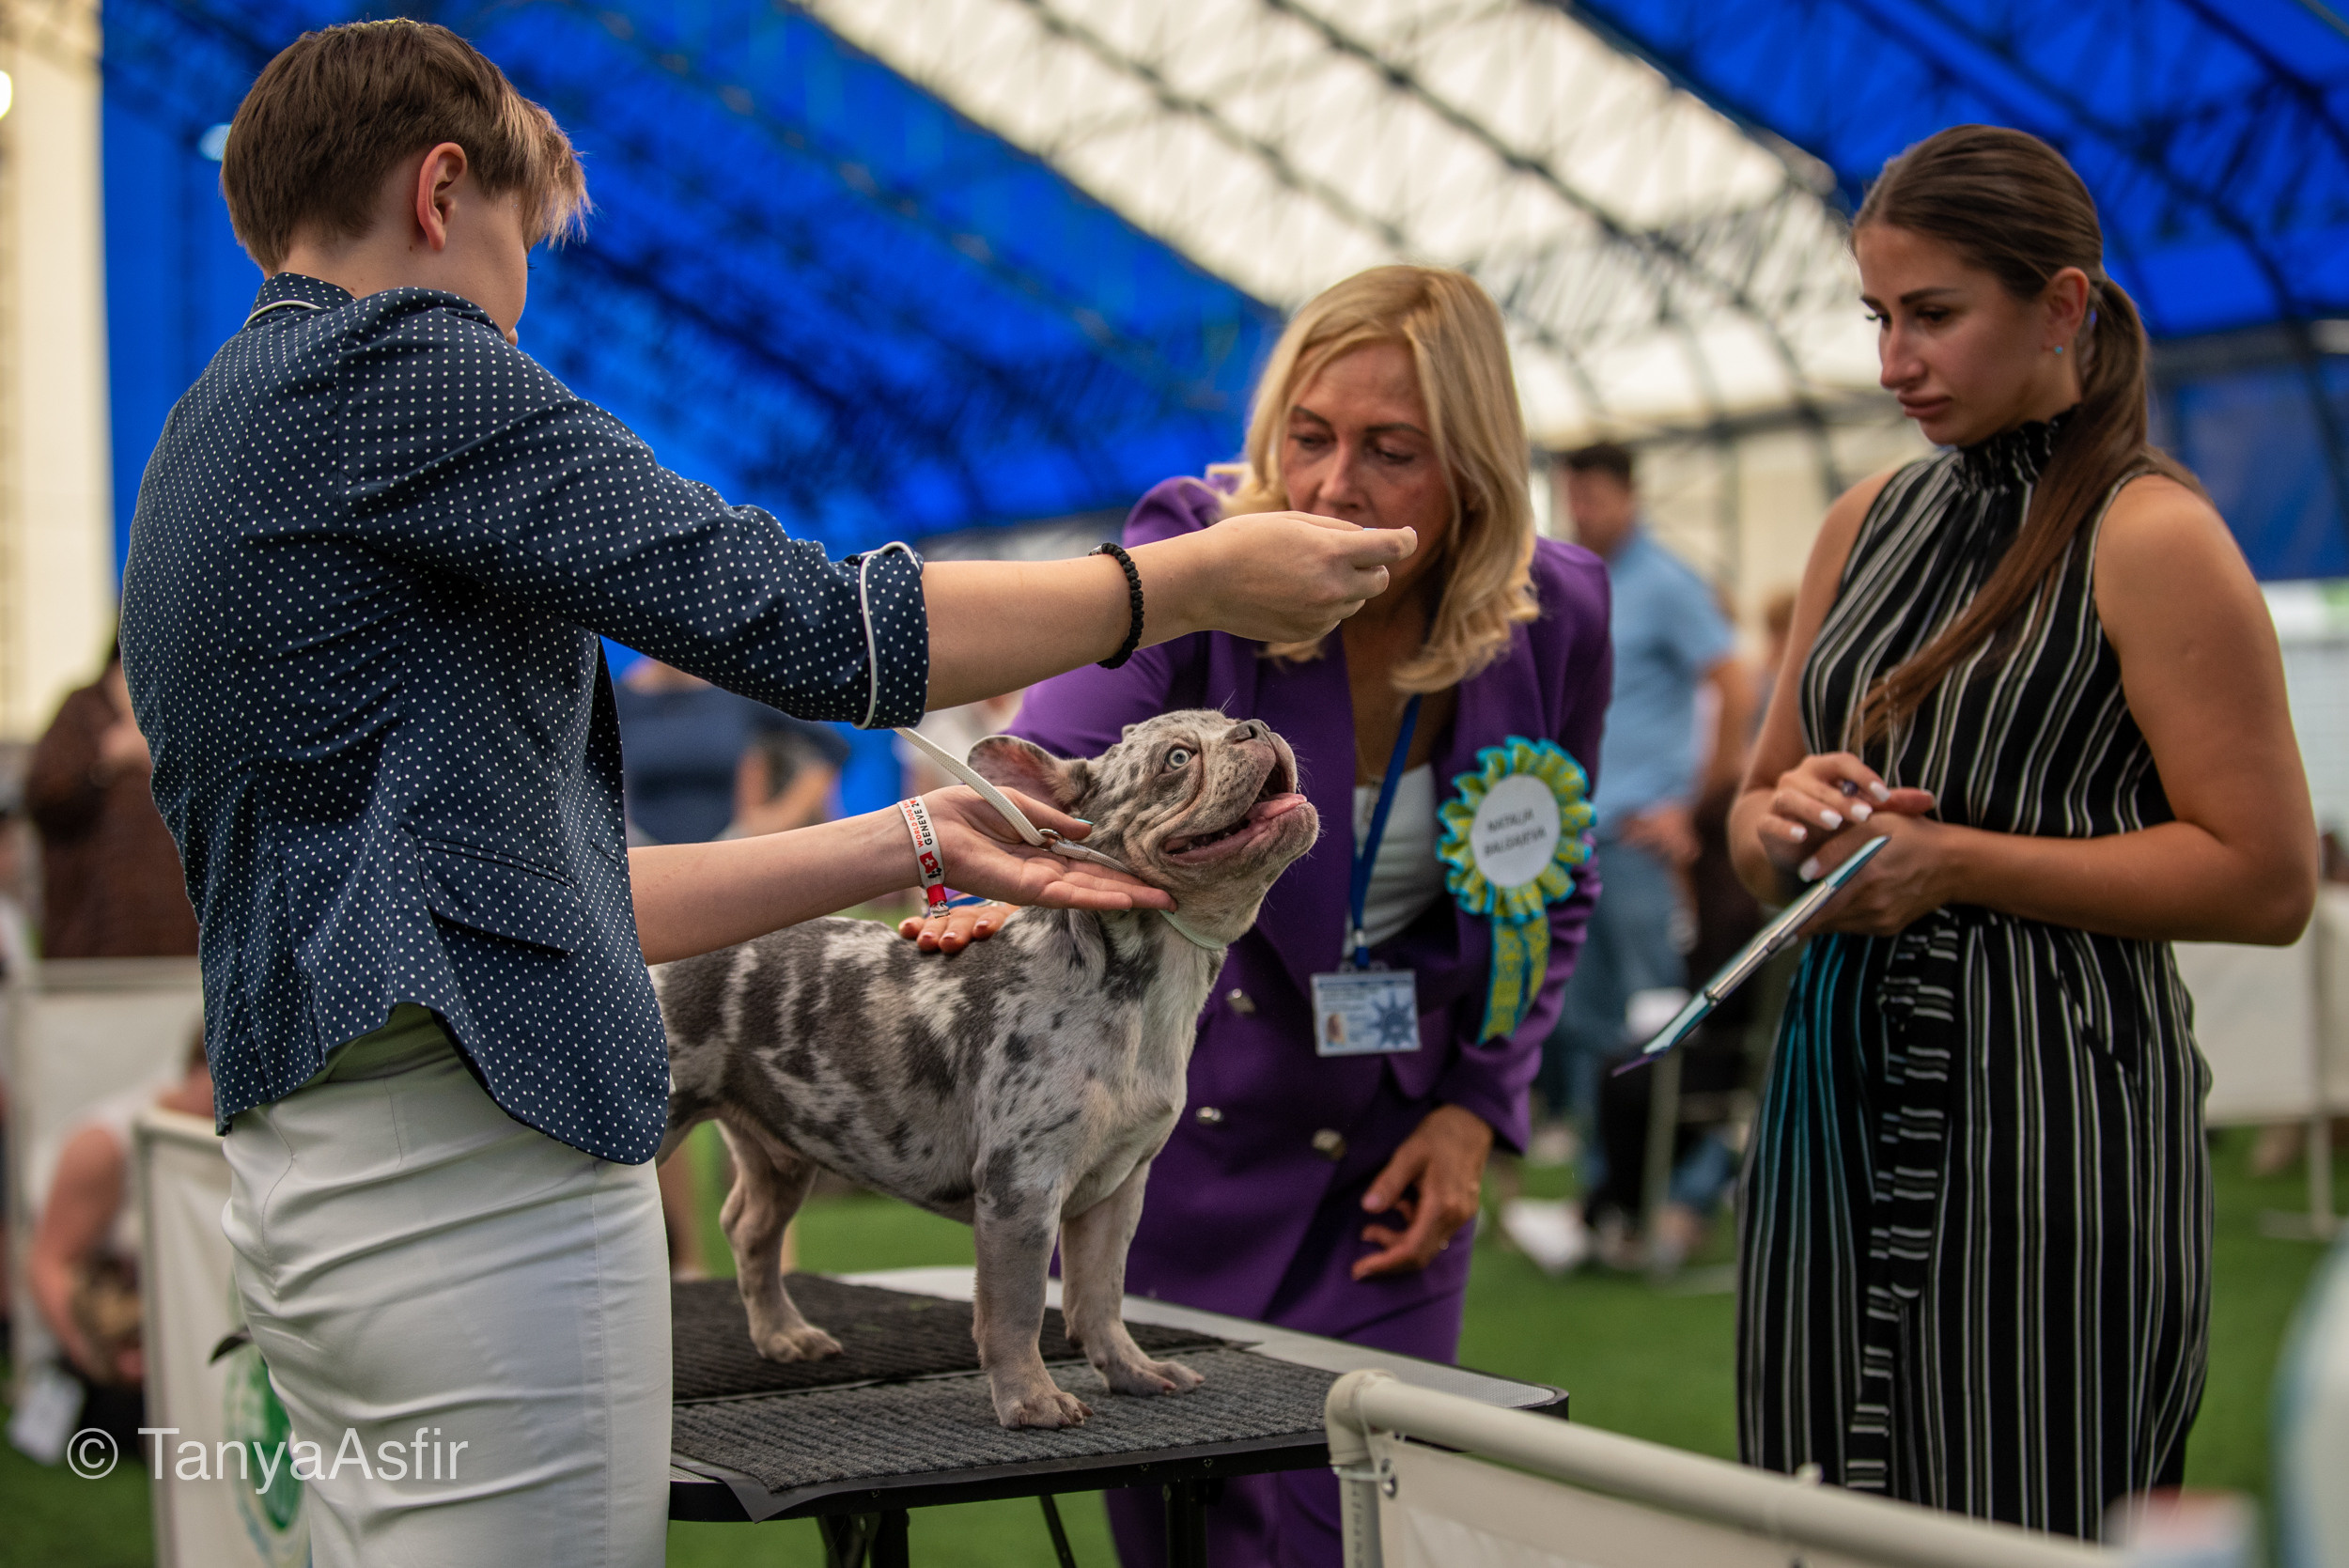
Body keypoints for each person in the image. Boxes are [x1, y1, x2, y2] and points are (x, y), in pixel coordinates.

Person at [118, 22, 1412, 1566]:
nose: (521, 300)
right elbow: (807, 622)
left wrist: (919, 832)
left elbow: (570, 890)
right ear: (441, 189)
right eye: (523, 244)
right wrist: (1183, 582)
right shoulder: (403, 366)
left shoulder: (207, 442)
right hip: (474, 1209)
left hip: (312, 1200)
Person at [908, 264, 1612, 1567]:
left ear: (1472, 471)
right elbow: (1060, 766)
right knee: (1176, 1538)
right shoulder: (1196, 542)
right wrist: (1190, 591)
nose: (1337, 483)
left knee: (1344, 1534)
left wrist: (1475, 1112)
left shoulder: (1559, 606)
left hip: (1393, 1184)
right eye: (1310, 435)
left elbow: (1554, 882)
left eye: (1392, 451)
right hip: (1168, 1157)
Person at [1729, 125, 2317, 1537]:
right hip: (1835, 1105)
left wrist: (1961, 863)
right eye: (1880, 316)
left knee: (2029, 1504)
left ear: (2060, 306)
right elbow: (1752, 822)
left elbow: (2268, 876)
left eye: (1934, 315)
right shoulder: (1859, 521)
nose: (1893, 363)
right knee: (1817, 1499)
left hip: (2052, 1115)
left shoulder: (2152, 533)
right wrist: (1791, 821)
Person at [1532, 445, 1750, 1213]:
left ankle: (1686, 1192)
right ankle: (1608, 1194)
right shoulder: (1575, 582)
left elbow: (1734, 680)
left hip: (1637, 841)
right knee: (1585, 1021)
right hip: (1573, 839)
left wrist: (1695, 802)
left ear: (1629, 493)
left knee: (1655, 1016)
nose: (1580, 510)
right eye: (1570, 496)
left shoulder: (1665, 581)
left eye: (1592, 495)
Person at [24, 1029, 214, 1459]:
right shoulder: (104, 1145)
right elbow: (46, 1265)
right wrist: (103, 1356)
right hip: (109, 1351)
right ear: (192, 1070)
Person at [23, 643, 198, 959]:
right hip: (96, 954)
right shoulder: (82, 710)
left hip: (182, 956)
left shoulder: (187, 714)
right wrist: (108, 760)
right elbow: (46, 799)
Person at [611, 657, 848, 846]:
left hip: (726, 844)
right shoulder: (619, 698)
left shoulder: (734, 693)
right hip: (643, 848)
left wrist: (782, 815)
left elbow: (833, 748)